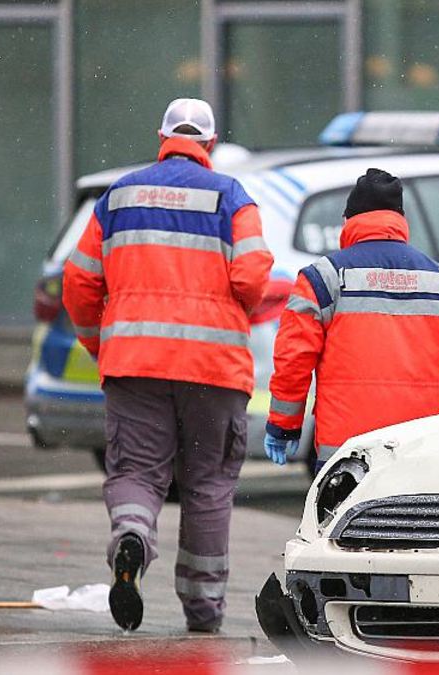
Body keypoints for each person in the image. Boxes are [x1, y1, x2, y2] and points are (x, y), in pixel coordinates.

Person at [62, 98, 274, 633]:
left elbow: (80, 281)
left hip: (134, 365)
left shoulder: (119, 196)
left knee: (136, 472)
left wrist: (98, 343)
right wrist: (224, 312)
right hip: (213, 368)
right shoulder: (232, 197)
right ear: (211, 144)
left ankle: (131, 536)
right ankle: (203, 612)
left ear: (161, 136)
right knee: (206, 487)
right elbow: (252, 277)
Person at [264, 168, 439, 470]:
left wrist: (284, 425)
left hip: (345, 455)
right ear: (400, 221)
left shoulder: (323, 279)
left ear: (348, 221)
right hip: (417, 452)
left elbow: (294, 360)